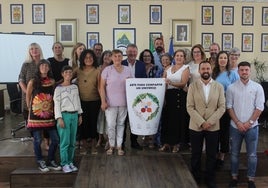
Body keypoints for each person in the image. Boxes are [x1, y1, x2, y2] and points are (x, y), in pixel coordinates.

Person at [187, 60, 225, 187]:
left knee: (211, 154)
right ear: (199, 71)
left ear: (211, 70)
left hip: (213, 126)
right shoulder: (192, 86)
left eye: (208, 69)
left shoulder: (219, 86)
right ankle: (195, 177)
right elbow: (190, 107)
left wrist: (210, 122)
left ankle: (210, 178)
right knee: (196, 153)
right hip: (196, 125)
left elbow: (222, 107)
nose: (205, 71)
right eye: (203, 69)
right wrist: (202, 122)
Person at [226, 61, 265, 188]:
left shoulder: (257, 87)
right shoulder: (231, 88)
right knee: (234, 154)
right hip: (235, 127)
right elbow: (229, 107)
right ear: (238, 71)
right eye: (241, 70)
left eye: (246, 70)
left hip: (252, 128)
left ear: (250, 71)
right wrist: (238, 122)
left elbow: (259, 108)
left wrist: (249, 123)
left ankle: (251, 180)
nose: (244, 72)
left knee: (252, 155)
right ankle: (234, 178)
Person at [26, 59, 61, 172]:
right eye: (42, 65)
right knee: (37, 140)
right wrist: (29, 110)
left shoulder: (52, 81)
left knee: (55, 139)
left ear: (49, 68)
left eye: (46, 66)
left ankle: (50, 159)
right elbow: (28, 96)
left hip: (49, 114)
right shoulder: (33, 81)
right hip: (35, 115)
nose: (44, 67)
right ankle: (40, 160)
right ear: (39, 68)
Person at [100, 49, 133, 156]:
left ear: (122, 57)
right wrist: (103, 101)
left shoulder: (128, 70)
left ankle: (119, 146)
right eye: (115, 56)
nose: (117, 58)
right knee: (110, 125)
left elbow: (133, 85)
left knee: (121, 124)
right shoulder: (107, 70)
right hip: (110, 103)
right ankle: (111, 145)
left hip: (124, 102)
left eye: (119, 56)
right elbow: (101, 87)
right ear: (111, 58)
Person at [212, 51, 239, 168]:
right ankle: (214, 153)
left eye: (225, 58)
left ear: (228, 60)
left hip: (226, 106)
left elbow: (237, 91)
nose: (222, 60)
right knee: (214, 131)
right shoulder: (213, 73)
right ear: (217, 60)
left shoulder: (232, 74)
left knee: (224, 131)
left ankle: (222, 155)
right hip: (213, 106)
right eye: (220, 58)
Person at [53, 65, 83, 173]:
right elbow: (56, 104)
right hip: (64, 116)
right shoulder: (58, 88)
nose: (68, 74)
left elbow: (77, 101)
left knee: (72, 141)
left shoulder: (74, 87)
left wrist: (80, 114)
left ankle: (70, 161)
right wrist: (59, 118)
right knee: (65, 141)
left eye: (70, 72)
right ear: (62, 74)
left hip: (74, 115)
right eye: (66, 72)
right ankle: (64, 163)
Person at [160, 49, 190, 153]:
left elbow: (183, 83)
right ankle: (166, 143)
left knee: (178, 121)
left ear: (184, 58)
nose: (179, 57)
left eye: (181, 56)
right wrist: (162, 98)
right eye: (177, 55)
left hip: (179, 96)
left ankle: (177, 144)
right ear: (174, 57)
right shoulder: (168, 69)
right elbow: (162, 83)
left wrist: (171, 82)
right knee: (167, 119)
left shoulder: (186, 68)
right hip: (168, 96)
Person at [122, 44, 147, 150]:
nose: (132, 53)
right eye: (130, 51)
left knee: (135, 120)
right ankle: (121, 142)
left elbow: (144, 80)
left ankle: (134, 141)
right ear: (126, 52)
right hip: (122, 96)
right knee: (122, 121)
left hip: (137, 98)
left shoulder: (141, 65)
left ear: (137, 53)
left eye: (134, 51)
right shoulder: (121, 63)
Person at [76, 49, 101, 155]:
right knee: (83, 124)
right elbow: (66, 77)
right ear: (82, 59)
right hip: (81, 101)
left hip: (95, 101)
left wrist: (103, 100)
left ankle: (94, 144)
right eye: (86, 57)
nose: (88, 59)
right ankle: (84, 145)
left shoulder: (97, 71)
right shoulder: (77, 70)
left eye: (90, 57)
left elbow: (100, 87)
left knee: (94, 123)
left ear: (94, 59)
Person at [19, 43, 44, 122]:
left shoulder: (45, 63)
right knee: (30, 120)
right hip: (28, 96)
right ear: (29, 51)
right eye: (31, 49)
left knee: (42, 118)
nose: (34, 50)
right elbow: (21, 80)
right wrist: (28, 93)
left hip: (43, 96)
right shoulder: (26, 64)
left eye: (36, 48)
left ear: (40, 50)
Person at [139, 49, 158, 148]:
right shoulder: (139, 68)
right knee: (144, 117)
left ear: (151, 58)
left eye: (148, 56)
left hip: (153, 97)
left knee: (152, 117)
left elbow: (158, 81)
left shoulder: (156, 68)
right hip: (141, 97)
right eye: (144, 56)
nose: (146, 58)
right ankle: (145, 137)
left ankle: (151, 139)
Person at [96, 50, 112, 149]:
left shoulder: (113, 69)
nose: (107, 57)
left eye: (110, 56)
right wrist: (102, 96)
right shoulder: (98, 69)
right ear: (102, 57)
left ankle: (108, 139)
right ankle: (100, 138)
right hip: (99, 96)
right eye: (105, 55)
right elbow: (98, 84)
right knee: (100, 119)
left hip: (110, 97)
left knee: (108, 119)